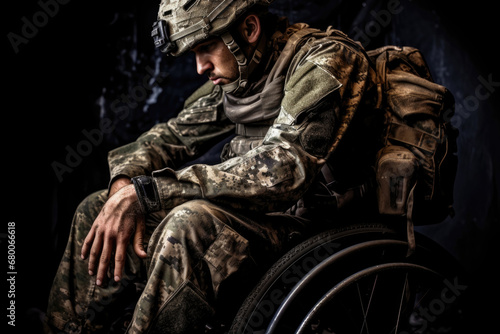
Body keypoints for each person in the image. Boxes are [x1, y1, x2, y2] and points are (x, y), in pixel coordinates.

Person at [45, 0, 383, 333]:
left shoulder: (327, 61)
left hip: (315, 230)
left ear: (249, 29)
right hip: (262, 219)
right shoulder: (246, 73)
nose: (200, 68)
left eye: (206, 47)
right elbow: (172, 136)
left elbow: (284, 170)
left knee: (189, 223)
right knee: (96, 209)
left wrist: (150, 192)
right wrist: (123, 184)